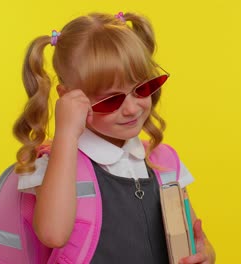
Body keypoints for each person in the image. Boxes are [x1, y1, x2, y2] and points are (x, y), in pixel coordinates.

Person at [12, 11, 216, 264]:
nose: (131, 109)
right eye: (112, 100)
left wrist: (205, 254)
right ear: (69, 97)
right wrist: (66, 135)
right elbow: (53, 234)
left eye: (142, 89)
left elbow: (197, 240)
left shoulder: (162, 162)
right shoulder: (53, 165)